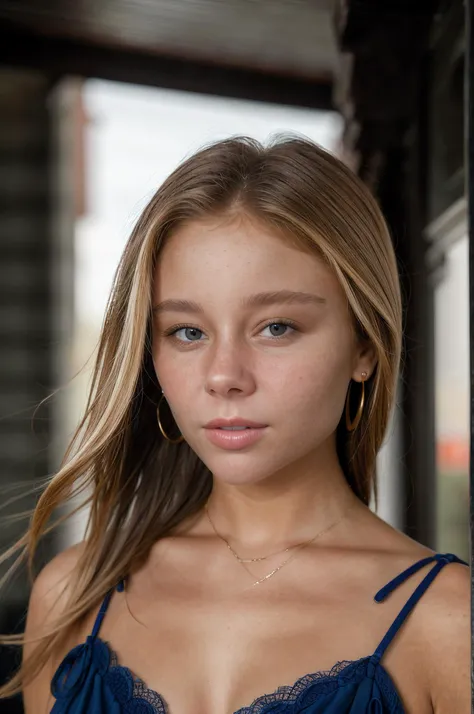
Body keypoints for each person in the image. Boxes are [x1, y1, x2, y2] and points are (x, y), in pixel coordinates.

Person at [0, 136, 469, 713]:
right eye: (187, 332)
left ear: (364, 345)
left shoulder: (449, 623)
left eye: (276, 327)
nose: (224, 376)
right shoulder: (73, 597)